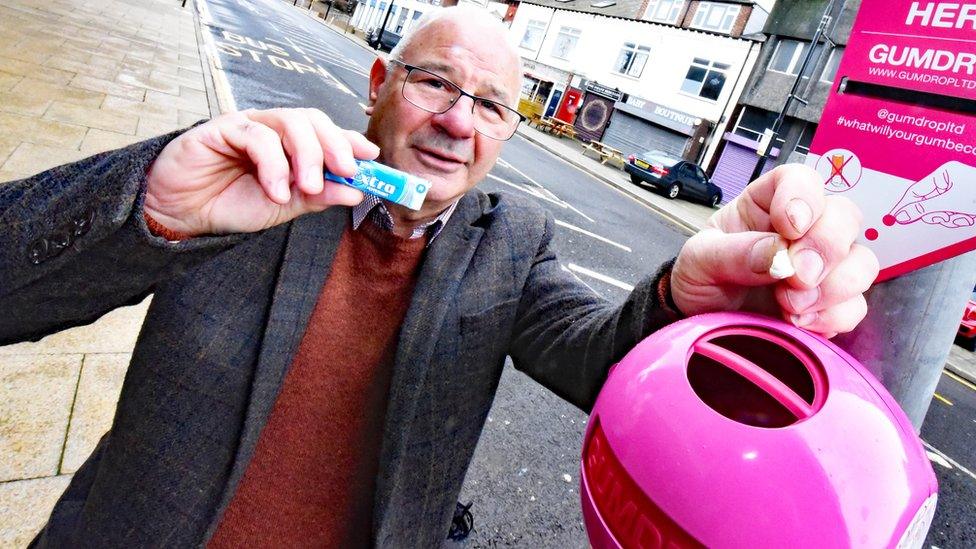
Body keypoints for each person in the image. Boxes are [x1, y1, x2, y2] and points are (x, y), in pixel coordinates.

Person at [1, 6, 878, 548]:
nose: (459, 123)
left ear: (507, 134)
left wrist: (683, 308)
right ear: (380, 83)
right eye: (434, 85)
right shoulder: (258, 182)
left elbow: (599, 357)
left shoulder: (512, 240)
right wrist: (154, 202)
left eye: (491, 106)